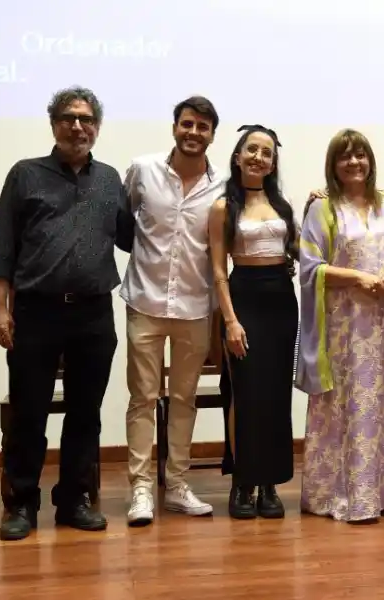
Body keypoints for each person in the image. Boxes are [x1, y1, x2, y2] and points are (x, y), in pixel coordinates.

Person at [0, 86, 134, 541]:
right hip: (36, 312)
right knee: (29, 412)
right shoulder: (25, 174)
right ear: (54, 124)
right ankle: (21, 503)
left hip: (93, 314)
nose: (78, 126)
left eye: (86, 119)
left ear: (97, 128)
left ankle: (73, 499)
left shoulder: (109, 179)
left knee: (85, 413)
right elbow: (2, 247)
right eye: (69, 118)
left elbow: (133, 238)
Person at [296, 128, 384, 524]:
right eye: (345, 156)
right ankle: (345, 494)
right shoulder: (323, 209)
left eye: (360, 154)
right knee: (346, 403)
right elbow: (310, 268)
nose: (354, 162)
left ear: (370, 160)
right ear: (333, 165)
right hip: (344, 327)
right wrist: (359, 278)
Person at [119, 96, 225, 526]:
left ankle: (177, 484)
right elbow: (123, 223)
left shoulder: (223, 186)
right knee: (143, 398)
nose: (193, 132)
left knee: (184, 399)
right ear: (175, 127)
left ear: (212, 135)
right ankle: (141, 488)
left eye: (202, 127)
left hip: (195, 306)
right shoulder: (142, 170)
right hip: (144, 301)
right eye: (187, 124)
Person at [208, 124, 300, 519]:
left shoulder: (283, 205)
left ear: (273, 163)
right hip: (243, 298)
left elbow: (301, 250)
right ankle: (243, 481)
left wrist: (319, 207)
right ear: (237, 156)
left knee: (276, 395)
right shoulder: (222, 207)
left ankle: (270, 483)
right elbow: (218, 270)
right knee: (244, 393)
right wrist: (230, 321)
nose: (258, 157)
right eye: (252, 150)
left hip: (281, 301)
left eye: (266, 152)